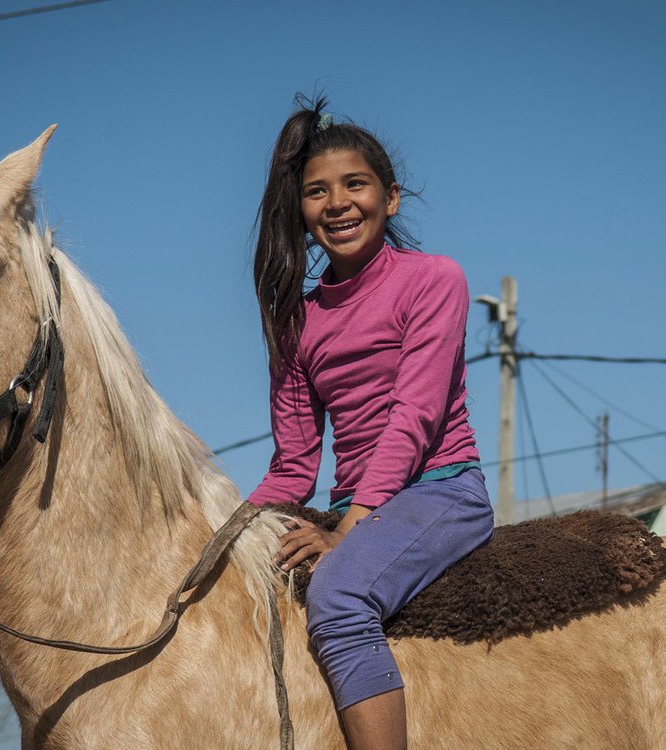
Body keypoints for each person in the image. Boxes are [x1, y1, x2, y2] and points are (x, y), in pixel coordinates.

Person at [247, 96, 493, 750]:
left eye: (355, 185)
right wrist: (223, 534)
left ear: (390, 198)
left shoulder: (434, 280)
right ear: (299, 214)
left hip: (440, 490)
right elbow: (294, 463)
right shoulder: (295, 322)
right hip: (360, 507)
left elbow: (415, 416)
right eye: (317, 192)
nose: (337, 203)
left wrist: (350, 531)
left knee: (337, 596)